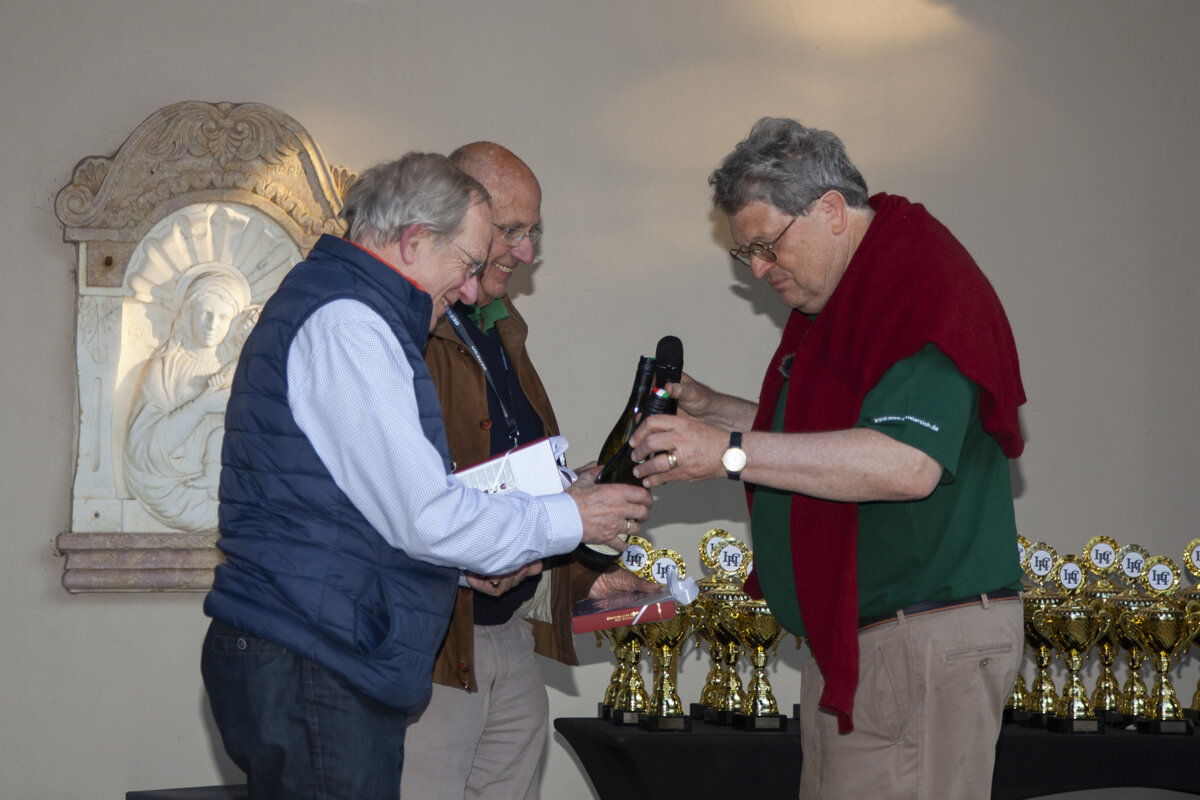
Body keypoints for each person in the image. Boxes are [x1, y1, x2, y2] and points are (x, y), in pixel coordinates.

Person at [200, 152, 652, 800]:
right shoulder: (351, 323)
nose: (469, 291)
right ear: (413, 241)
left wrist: (464, 569)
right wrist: (575, 517)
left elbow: (371, 512)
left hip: (320, 647)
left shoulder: (352, 310)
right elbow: (425, 516)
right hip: (314, 654)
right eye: (467, 265)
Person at [631, 118, 1026, 800]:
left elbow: (907, 462)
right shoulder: (851, 292)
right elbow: (828, 439)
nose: (759, 270)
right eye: (745, 254)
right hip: (865, 636)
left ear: (832, 211)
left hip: (916, 637)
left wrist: (729, 453)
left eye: (766, 245)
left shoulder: (921, 286)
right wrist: (713, 410)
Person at [406, 142, 652, 800]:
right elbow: (411, 496)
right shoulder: (409, 331)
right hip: (437, 648)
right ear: (461, 219)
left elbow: (511, 474)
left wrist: (581, 533)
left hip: (509, 637)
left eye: (532, 231)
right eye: (511, 230)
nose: (526, 251)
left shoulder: (499, 324)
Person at [124, 266, 254, 530]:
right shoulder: (164, 366)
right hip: (167, 489)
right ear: (188, 313)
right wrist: (200, 406)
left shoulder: (239, 367)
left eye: (223, 317)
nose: (212, 325)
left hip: (231, 490)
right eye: (205, 314)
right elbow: (141, 448)